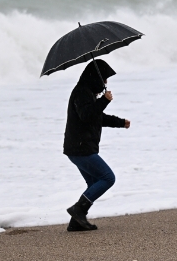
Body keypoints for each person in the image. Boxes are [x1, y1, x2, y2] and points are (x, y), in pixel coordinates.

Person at [63, 59, 130, 231]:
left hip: (80, 148)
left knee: (94, 183)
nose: (106, 82)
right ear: (95, 77)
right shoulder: (81, 92)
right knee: (108, 178)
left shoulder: (88, 93)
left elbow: (97, 117)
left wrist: (120, 122)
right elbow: (87, 115)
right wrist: (104, 101)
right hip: (81, 148)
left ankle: (76, 222)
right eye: (104, 78)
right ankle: (78, 209)